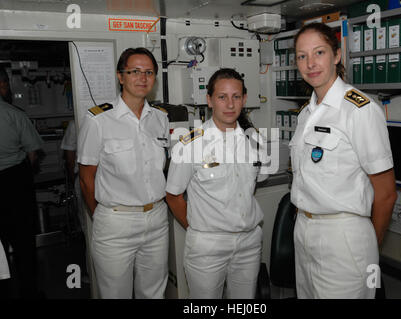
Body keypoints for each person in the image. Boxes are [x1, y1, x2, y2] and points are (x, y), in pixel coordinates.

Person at [289, 22, 397, 299]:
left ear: (337, 55)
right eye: (302, 56)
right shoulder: (306, 114)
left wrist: (369, 244)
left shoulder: (359, 110)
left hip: (344, 236)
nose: (310, 63)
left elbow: (386, 193)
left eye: (319, 52)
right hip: (303, 229)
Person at [166, 68, 268, 299]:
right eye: (222, 97)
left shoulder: (255, 141)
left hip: (249, 243)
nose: (230, 104)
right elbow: (173, 196)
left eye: (236, 96)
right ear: (209, 100)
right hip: (208, 246)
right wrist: (197, 229)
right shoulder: (190, 144)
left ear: (244, 99)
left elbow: (255, 184)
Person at [77, 48, 170, 299]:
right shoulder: (98, 120)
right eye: (134, 72)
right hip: (116, 221)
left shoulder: (160, 119)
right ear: (120, 77)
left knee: (153, 293)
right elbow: (86, 178)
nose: (143, 78)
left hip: (157, 218)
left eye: (149, 72)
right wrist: (105, 217)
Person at [0, 67, 43, 298]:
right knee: (24, 244)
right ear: (2, 85)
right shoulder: (14, 114)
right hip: (14, 183)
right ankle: (29, 292)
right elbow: (33, 153)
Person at [60, 119, 99, 296]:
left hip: (85, 178)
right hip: (93, 179)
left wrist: (72, 175)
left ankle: (93, 275)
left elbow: (69, 155)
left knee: (89, 228)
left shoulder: (77, 122)